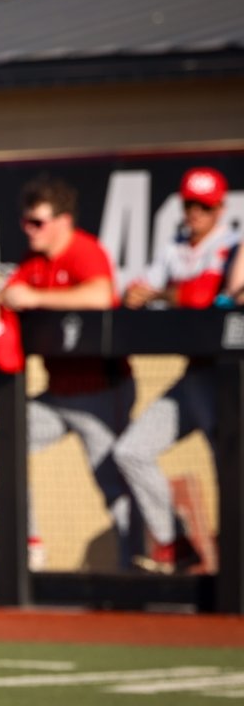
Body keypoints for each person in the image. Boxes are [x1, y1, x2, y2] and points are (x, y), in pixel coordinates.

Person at [0, 176, 135, 571]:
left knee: (112, 480)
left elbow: (102, 295)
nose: (28, 229)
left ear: (63, 221)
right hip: (58, 393)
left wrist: (35, 299)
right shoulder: (34, 264)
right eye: (26, 221)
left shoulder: (83, 250)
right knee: (4, 441)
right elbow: (4, 294)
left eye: (38, 222)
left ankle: (135, 566)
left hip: (102, 392)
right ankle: (26, 541)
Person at [113, 166, 237, 573]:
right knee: (131, 450)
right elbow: (137, 290)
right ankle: (173, 542)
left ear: (220, 206)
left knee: (230, 468)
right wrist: (147, 293)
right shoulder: (175, 244)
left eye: (206, 205)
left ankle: (234, 566)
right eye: (191, 204)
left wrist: (164, 294)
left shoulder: (233, 242)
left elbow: (204, 297)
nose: (197, 212)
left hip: (228, 377)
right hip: (192, 375)